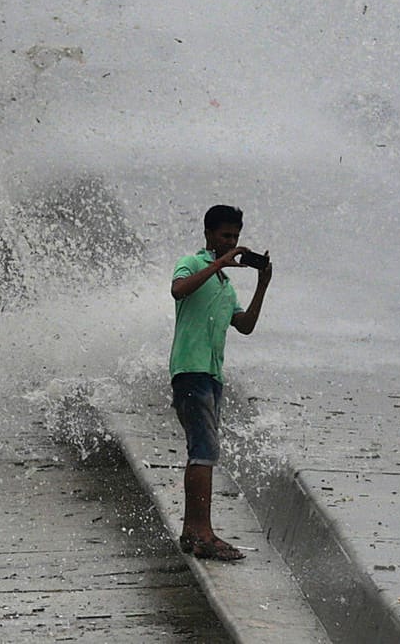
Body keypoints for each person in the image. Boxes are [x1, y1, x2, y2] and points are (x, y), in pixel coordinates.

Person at [169, 204, 272, 561]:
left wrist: (262, 285)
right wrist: (217, 264)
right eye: (225, 235)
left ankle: (193, 532)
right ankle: (202, 531)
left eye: (236, 237)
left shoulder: (226, 287)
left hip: (212, 375)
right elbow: (178, 290)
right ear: (209, 234)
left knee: (205, 451)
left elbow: (244, 325)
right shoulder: (193, 263)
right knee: (203, 452)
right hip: (190, 370)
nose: (231, 242)